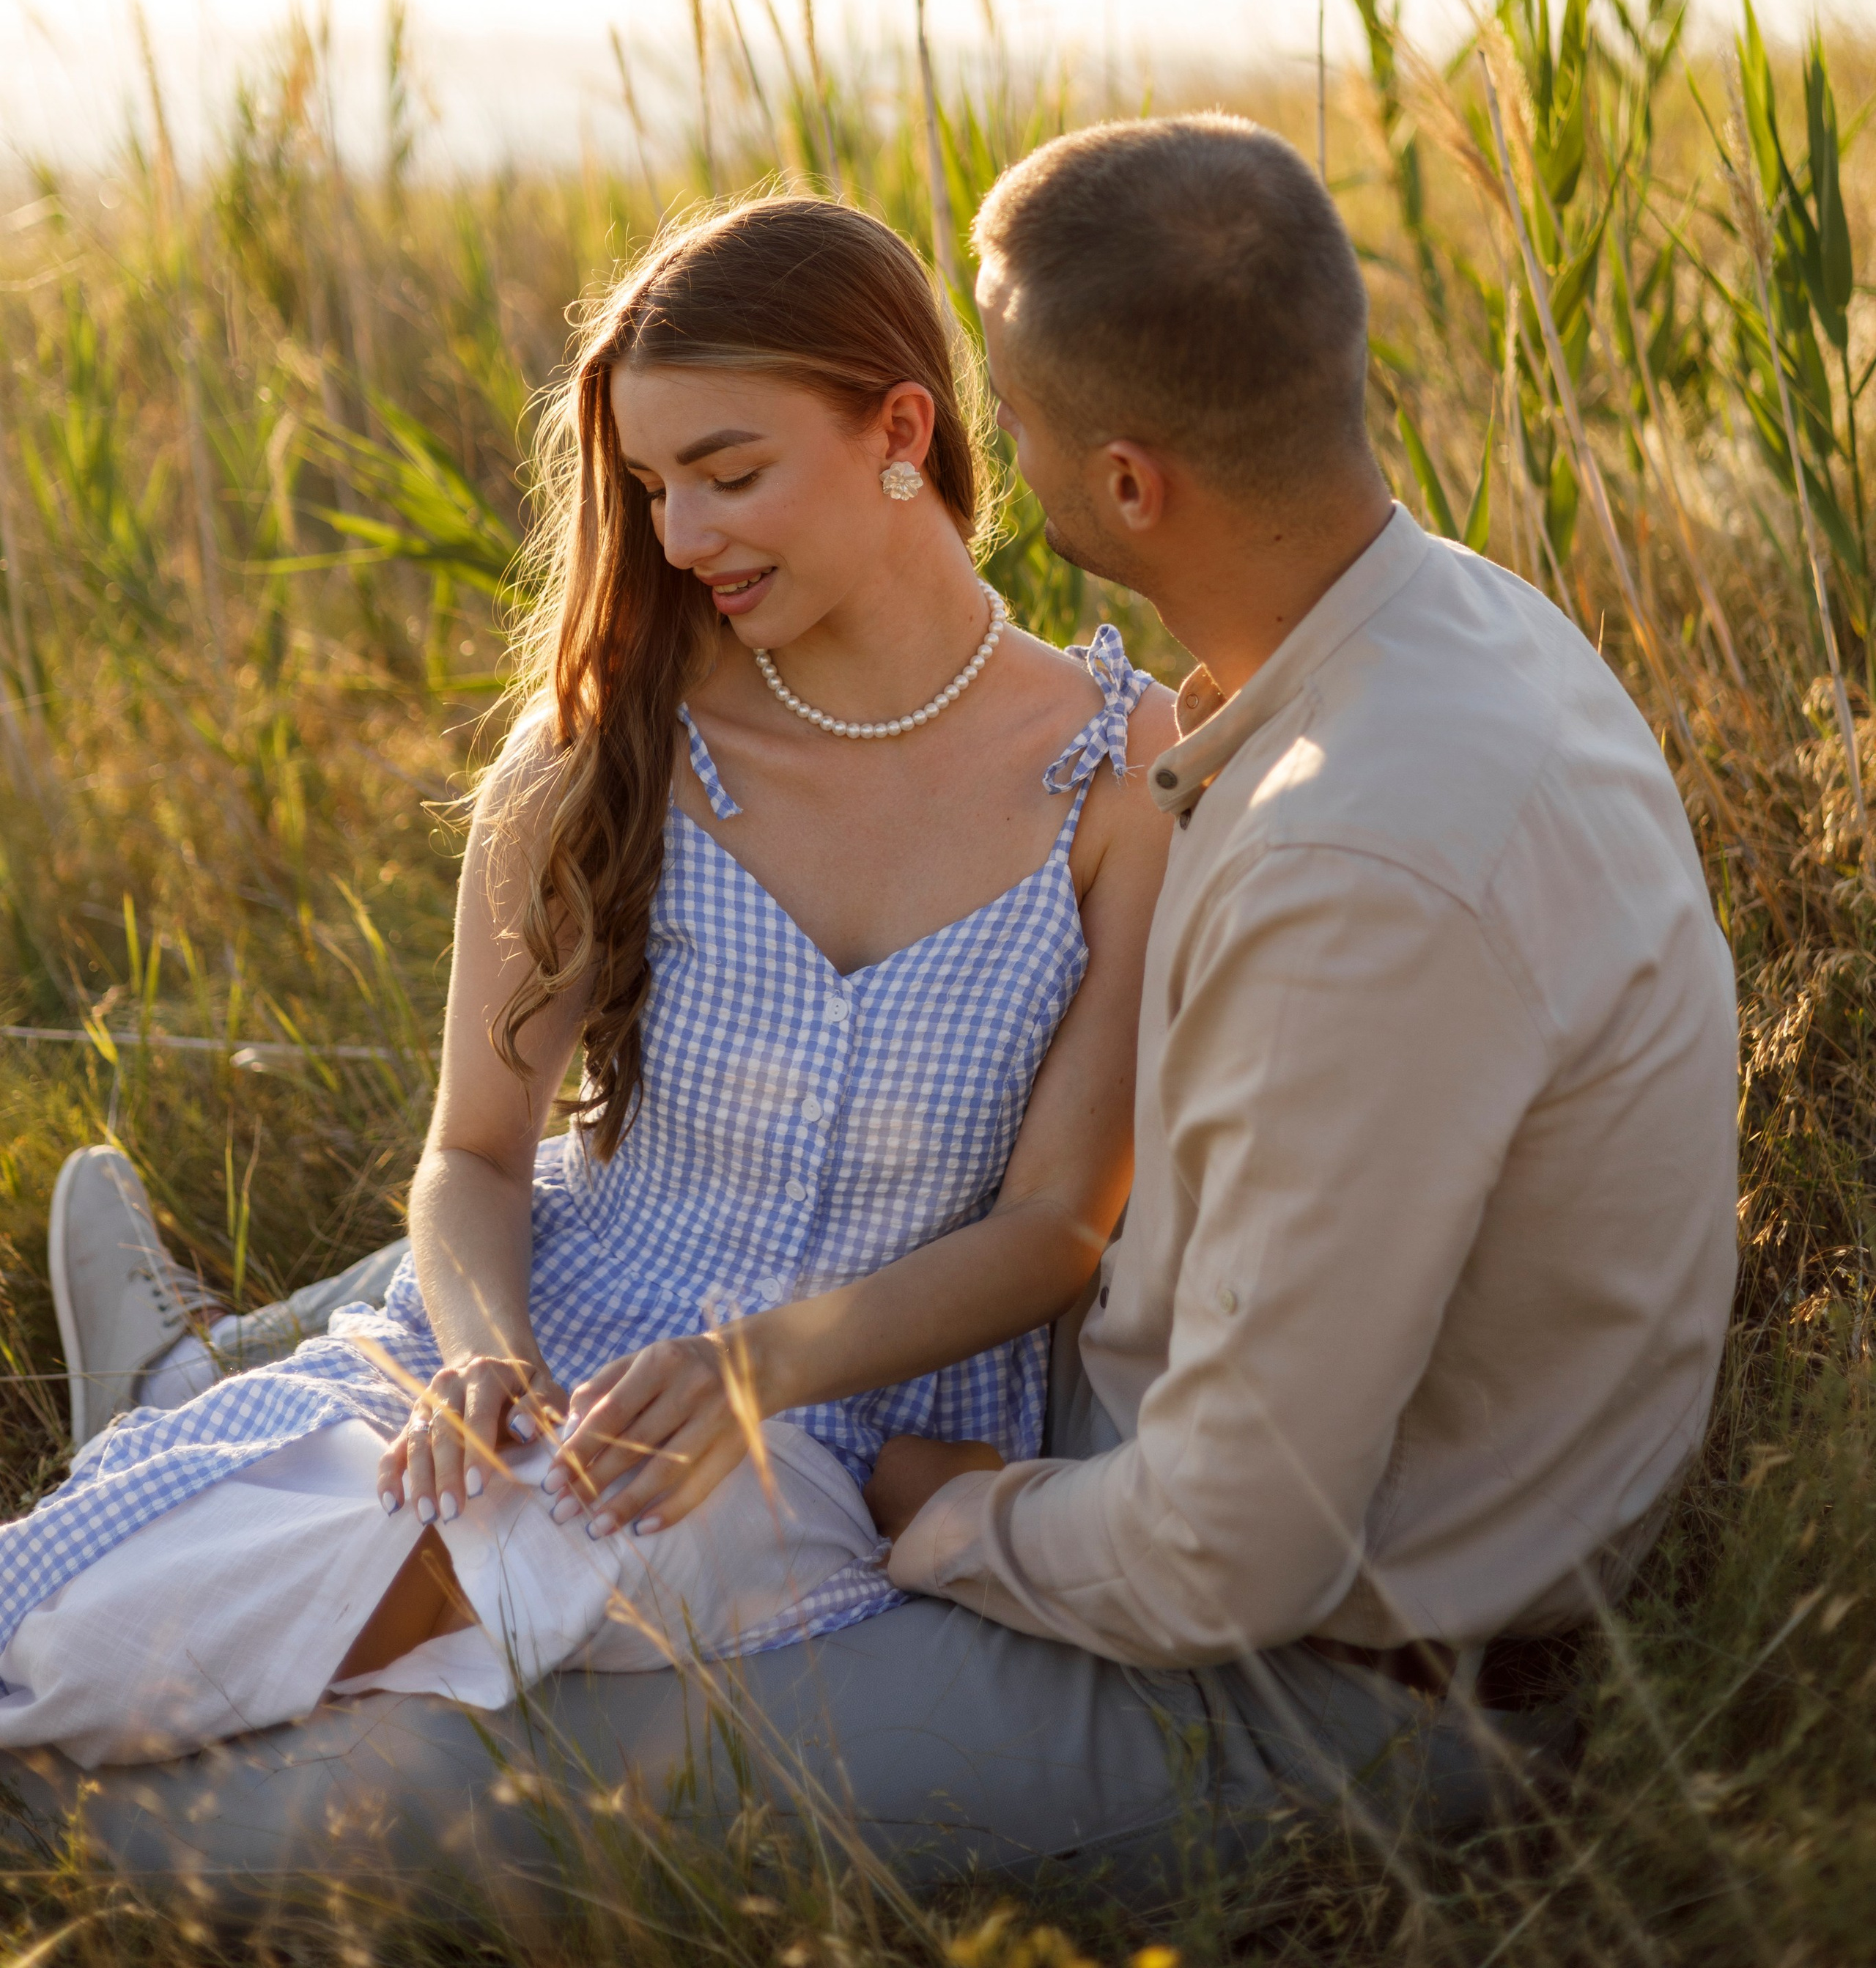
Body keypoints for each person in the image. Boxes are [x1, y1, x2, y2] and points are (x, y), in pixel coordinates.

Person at [3, 118, 1737, 1923]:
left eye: (1010, 399)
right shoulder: (1448, 650)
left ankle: (81, 1754)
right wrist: (527, 1344)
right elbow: (492, 1150)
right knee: (553, 1278)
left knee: (414, 1788)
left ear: (1105, 476)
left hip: (1280, 1641)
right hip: (897, 1402)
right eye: (654, 485)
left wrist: (937, 1495)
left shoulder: (1292, 838)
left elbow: (1198, 1487)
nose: (990, 428)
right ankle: (192, 1399)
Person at [0, 194, 1173, 1764]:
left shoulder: (1120, 762)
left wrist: (752, 1369)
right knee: (100, 1591)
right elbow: (476, 1152)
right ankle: (165, 1470)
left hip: (842, 1414)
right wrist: (486, 1352)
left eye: (729, 473)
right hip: (544, 1349)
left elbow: (1055, 1226)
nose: (680, 538)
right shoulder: (605, 747)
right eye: (648, 485)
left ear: (900, 427)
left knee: (436, 1575)